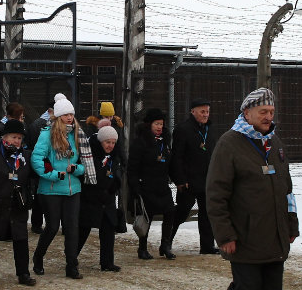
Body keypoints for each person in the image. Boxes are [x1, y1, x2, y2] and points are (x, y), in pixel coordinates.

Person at [200, 87, 299, 290]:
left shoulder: (274, 142)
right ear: (247, 112)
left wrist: (291, 223)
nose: (269, 116)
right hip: (245, 235)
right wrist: (224, 235)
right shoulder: (229, 143)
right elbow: (216, 194)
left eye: (271, 111)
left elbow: (286, 188)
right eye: (263, 111)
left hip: (276, 234)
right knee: (246, 288)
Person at [30, 95, 88, 279]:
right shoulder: (47, 134)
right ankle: (38, 257)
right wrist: (52, 174)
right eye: (65, 115)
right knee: (53, 227)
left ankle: (72, 266)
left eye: (71, 114)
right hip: (51, 189)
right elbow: (36, 159)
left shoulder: (78, 134)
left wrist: (77, 169)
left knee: (72, 228)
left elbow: (86, 161)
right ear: (58, 116)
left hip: (73, 189)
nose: (69, 117)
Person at [0, 119, 36, 286]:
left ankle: (23, 274)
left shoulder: (25, 155)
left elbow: (32, 176)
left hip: (17, 203)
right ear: (5, 137)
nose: (17, 141)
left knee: (21, 239)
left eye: (19, 138)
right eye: (14, 137)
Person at [169, 98, 219, 254]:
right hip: (188, 181)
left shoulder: (210, 129)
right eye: (202, 111)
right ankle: (166, 240)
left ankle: (207, 246)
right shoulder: (183, 129)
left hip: (207, 180)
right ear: (193, 111)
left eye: (208, 112)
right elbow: (176, 157)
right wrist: (180, 179)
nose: (206, 115)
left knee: (207, 214)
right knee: (182, 212)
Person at [127, 108, 177, 260]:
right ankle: (142, 248)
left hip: (162, 185)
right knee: (146, 217)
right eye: (156, 123)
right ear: (149, 124)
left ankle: (165, 245)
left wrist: (179, 179)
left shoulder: (165, 142)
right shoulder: (140, 142)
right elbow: (133, 167)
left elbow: (171, 165)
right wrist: (135, 186)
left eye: (161, 124)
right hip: (146, 185)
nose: (159, 127)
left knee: (170, 213)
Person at [77, 123, 124, 272]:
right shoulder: (90, 155)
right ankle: (71, 257)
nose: (110, 145)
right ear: (100, 141)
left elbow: (117, 172)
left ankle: (107, 262)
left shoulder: (114, 156)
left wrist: (115, 184)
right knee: (83, 230)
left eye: (113, 142)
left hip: (108, 198)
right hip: (91, 198)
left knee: (108, 231)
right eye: (107, 142)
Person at [26, 99, 55, 235]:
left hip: (44, 164)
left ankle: (39, 223)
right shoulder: (40, 125)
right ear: (51, 111)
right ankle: (37, 224)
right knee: (40, 195)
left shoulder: (38, 123)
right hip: (43, 164)